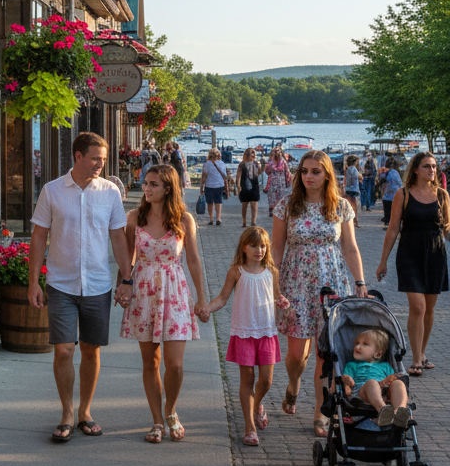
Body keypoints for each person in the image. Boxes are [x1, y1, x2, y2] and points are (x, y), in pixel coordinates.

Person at [28, 132, 133, 443]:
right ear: (77, 156)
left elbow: (118, 238)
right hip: (61, 283)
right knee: (63, 350)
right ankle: (67, 414)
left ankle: (85, 411)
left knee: (90, 349)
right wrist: (34, 281)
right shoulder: (52, 191)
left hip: (98, 284)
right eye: (95, 158)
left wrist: (126, 279)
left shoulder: (110, 192)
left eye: (102, 158)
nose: (100, 164)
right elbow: (38, 237)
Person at [273, 150, 367, 437]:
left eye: (315, 171)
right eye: (304, 171)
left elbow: (350, 247)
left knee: (325, 354)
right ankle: (292, 384)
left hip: (333, 283)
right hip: (296, 283)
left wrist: (360, 281)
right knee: (294, 355)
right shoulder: (287, 206)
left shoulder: (340, 206)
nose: (309, 176)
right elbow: (276, 247)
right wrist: (272, 283)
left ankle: (320, 411)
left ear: (327, 174)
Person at [118, 164, 207, 443]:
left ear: (168, 188)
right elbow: (127, 259)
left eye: (153, 184)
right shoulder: (133, 217)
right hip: (144, 292)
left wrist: (202, 298)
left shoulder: (184, 220)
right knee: (150, 361)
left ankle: (171, 411)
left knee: (175, 364)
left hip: (175, 291)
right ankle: (156, 421)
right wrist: (124, 283)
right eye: (146, 183)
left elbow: (193, 259)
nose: (146, 188)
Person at [197, 226, 290, 446]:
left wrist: (283, 302)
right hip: (244, 332)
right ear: (244, 248)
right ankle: (250, 427)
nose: (259, 250)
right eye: (254, 246)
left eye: (263, 246)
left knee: (266, 381)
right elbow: (222, 298)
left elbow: (277, 296)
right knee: (247, 380)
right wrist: (207, 309)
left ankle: (256, 404)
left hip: (266, 331)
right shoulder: (236, 272)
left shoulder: (272, 272)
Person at [375, 152, 449, 376]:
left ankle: (422, 352)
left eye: (434, 167)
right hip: (409, 254)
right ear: (415, 169)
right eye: (427, 166)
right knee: (418, 307)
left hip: (436, 253)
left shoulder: (443, 195)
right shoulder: (403, 194)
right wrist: (382, 261)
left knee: (429, 309)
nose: (432, 170)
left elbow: (447, 229)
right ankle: (416, 359)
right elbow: (393, 229)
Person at [341, 329, 411, 428]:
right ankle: (383, 410)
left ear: (378, 354)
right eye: (357, 343)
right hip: (362, 393)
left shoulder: (386, 366)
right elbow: (347, 379)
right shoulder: (352, 365)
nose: (357, 347)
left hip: (384, 392)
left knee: (398, 383)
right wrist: (347, 381)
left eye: (365, 344)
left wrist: (390, 382)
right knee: (372, 383)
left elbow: (391, 382)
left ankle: (400, 412)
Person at [200, 147, 227, 226]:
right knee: (218, 202)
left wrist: (201, 188)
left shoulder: (206, 164)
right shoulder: (222, 163)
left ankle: (211, 219)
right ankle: (218, 218)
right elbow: (225, 176)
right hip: (219, 185)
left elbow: (204, 177)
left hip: (209, 186)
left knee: (210, 202)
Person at [236, 147, 262, 227]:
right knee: (244, 205)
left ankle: (253, 222)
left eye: (253, 155)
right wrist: (238, 186)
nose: (252, 157)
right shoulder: (242, 164)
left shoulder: (256, 163)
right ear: (247, 155)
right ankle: (244, 221)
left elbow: (260, 171)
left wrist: (260, 167)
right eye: (251, 155)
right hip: (244, 186)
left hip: (254, 185)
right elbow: (238, 176)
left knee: (254, 204)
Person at [264, 146, 291, 218]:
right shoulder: (283, 162)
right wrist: (288, 182)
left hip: (272, 181)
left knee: (272, 196)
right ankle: (278, 211)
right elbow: (287, 173)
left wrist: (271, 174)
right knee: (280, 196)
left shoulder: (270, 162)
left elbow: (266, 171)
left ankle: (272, 209)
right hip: (280, 181)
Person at [380, 156, 404, 229]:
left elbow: (381, 180)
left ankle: (388, 226)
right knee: (396, 213)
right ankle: (396, 226)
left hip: (387, 196)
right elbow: (400, 184)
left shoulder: (388, 172)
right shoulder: (397, 172)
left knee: (388, 213)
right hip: (396, 196)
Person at [343, 153, 361, 228]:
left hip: (350, 189)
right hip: (353, 189)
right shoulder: (353, 169)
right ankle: (355, 221)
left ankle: (354, 220)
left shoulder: (348, 169)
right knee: (353, 205)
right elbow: (352, 179)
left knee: (351, 205)